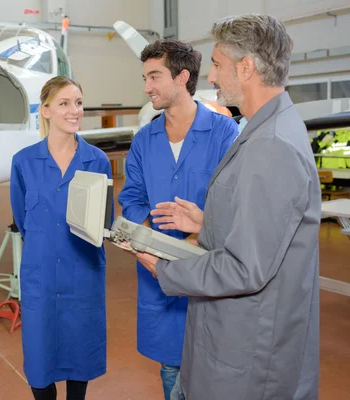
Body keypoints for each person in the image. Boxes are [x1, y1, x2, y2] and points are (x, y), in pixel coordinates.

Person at [137, 14, 321, 400]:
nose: (213, 77)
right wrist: (207, 223)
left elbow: (245, 267)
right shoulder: (264, 129)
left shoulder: (271, 146)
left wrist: (169, 267)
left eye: (218, 65)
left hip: (249, 357)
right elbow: (263, 232)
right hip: (239, 339)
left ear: (246, 67)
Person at [117, 39, 238, 400]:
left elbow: (236, 201)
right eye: (144, 77)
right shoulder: (143, 140)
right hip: (160, 277)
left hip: (210, 275)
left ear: (182, 77)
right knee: (172, 372)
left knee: (215, 373)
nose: (146, 87)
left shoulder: (223, 134)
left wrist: (201, 230)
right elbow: (132, 198)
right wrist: (155, 238)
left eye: (154, 76)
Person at [10, 75, 113, 400]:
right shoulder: (24, 162)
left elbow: (104, 222)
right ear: (45, 111)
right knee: (40, 370)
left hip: (82, 274)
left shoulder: (96, 160)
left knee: (79, 362)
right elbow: (22, 220)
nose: (74, 111)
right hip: (41, 277)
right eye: (64, 103)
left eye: (79, 103)